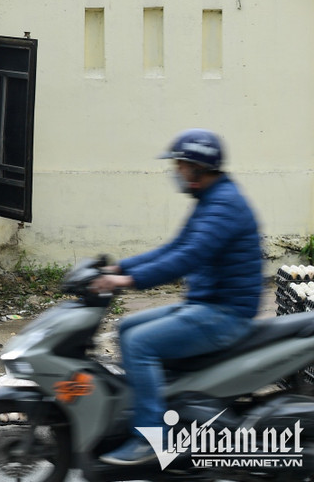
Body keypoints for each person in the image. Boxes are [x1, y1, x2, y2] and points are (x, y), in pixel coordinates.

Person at [89, 128, 262, 466]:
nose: (177, 172)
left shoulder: (223, 205)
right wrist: (118, 266)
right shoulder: (212, 199)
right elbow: (174, 247)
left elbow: (186, 258)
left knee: (140, 343)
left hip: (226, 313)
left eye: (181, 165)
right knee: (126, 329)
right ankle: (161, 409)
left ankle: (151, 439)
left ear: (199, 167)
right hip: (207, 305)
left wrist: (126, 280)